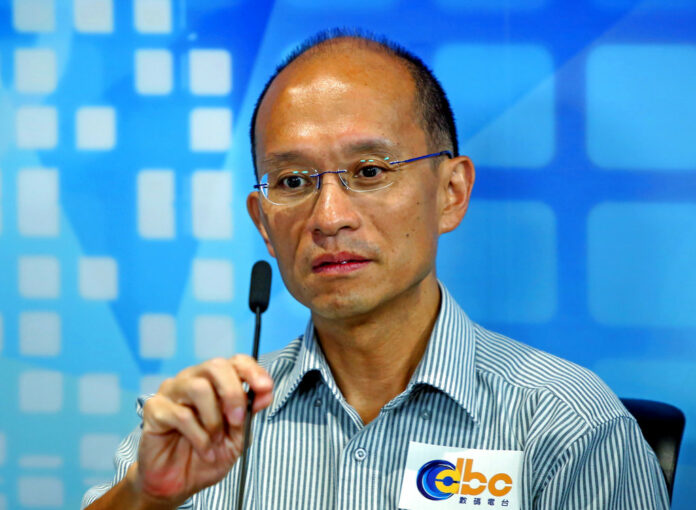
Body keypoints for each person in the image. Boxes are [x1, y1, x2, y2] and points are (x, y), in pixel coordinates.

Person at [83, 30, 669, 510]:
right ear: (263, 222)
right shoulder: (209, 423)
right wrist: (146, 497)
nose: (329, 217)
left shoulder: (566, 424)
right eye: (292, 182)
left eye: (369, 171)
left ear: (451, 192)